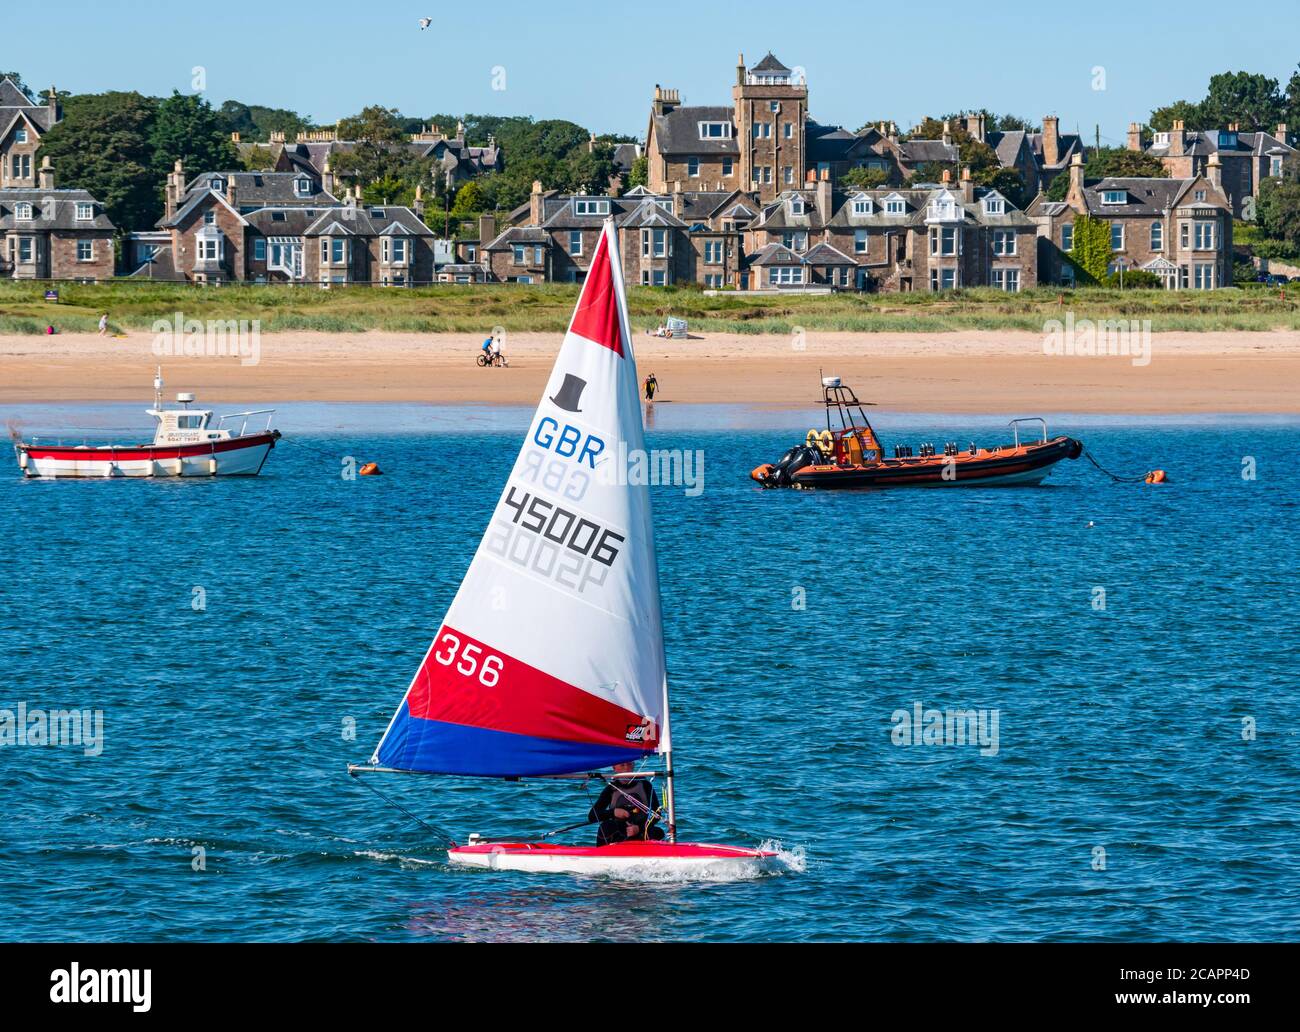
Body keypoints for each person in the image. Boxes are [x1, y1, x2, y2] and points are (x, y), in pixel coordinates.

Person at [587, 762, 665, 846]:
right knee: (605, 827)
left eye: (629, 764)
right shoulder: (611, 788)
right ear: (614, 768)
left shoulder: (645, 785)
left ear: (633, 765)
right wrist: (613, 812)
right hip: (619, 832)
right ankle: (601, 855)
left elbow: (657, 814)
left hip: (641, 830)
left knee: (658, 832)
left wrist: (639, 828)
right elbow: (592, 816)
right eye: (622, 765)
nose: (627, 768)